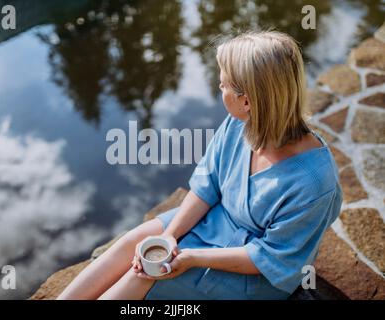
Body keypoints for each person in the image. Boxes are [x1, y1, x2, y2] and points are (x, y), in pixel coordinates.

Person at [56, 30, 343, 300]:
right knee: (132, 242)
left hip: (253, 270)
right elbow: (207, 187)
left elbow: (269, 258)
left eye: (224, 84)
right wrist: (169, 237)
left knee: (142, 277)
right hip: (215, 220)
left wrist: (191, 257)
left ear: (247, 101)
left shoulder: (314, 182)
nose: (219, 87)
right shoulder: (239, 124)